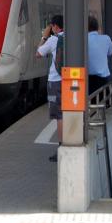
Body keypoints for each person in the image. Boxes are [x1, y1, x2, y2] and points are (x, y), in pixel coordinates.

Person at [36, 14, 64, 162]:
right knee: (70, 112)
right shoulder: (73, 37)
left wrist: (45, 37)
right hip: (71, 81)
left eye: (51, 26)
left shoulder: (54, 39)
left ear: (54, 26)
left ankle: (61, 149)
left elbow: (38, 53)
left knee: (59, 116)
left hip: (55, 82)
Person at [87, 16, 112, 95]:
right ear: (97, 27)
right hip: (103, 79)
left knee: (90, 102)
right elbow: (110, 52)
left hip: (88, 78)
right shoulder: (106, 38)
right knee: (103, 101)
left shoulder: (83, 39)